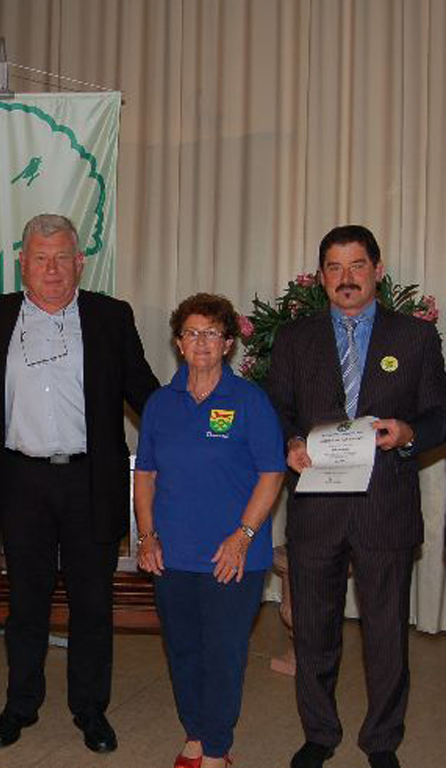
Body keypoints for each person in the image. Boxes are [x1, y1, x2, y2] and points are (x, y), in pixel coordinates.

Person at [0, 213, 159, 753]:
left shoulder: (110, 316)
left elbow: (144, 391)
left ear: (80, 262)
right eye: (40, 258)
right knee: (25, 602)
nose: (51, 269)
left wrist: (199, 422)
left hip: (90, 480)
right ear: (22, 263)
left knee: (93, 602)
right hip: (22, 481)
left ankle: (90, 709)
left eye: (61, 258)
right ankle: (20, 705)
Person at [267, 225, 446, 768]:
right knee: (314, 632)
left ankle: (382, 740)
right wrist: (290, 442)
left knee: (387, 636)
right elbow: (276, 411)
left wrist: (409, 433)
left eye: (357, 266)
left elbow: (439, 415)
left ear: (377, 270)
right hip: (316, 509)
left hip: (384, 507)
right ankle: (319, 734)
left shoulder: (415, 338)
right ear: (322, 277)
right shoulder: (294, 338)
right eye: (335, 268)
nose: (346, 278)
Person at [134, 293, 285, 768]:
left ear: (228, 344)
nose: (202, 342)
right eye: (192, 333)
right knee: (183, 649)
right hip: (173, 552)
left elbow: (272, 473)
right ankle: (195, 733)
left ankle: (217, 748)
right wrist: (147, 536)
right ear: (179, 343)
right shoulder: (160, 403)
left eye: (212, 333)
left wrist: (242, 536)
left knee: (223, 652)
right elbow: (145, 474)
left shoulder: (250, 401)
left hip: (233, 554)